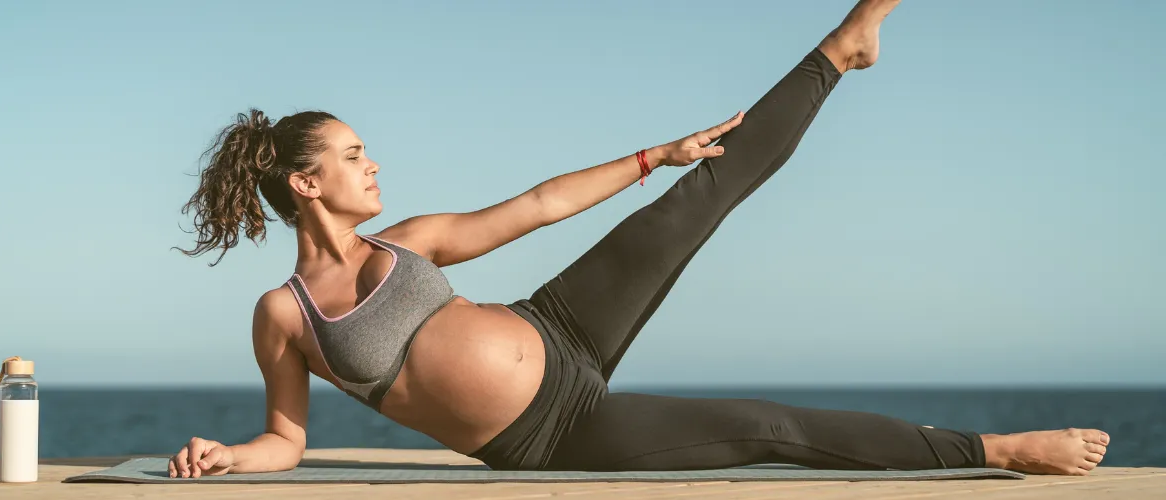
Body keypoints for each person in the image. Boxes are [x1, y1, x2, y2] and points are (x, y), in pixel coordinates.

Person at [168, 0, 1109, 479]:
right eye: (352, 154)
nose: (372, 166)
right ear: (305, 183)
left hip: (560, 323)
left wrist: (653, 155)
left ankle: (841, 47)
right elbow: (286, 441)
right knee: (774, 430)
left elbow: (536, 206)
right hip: (556, 432)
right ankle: (997, 449)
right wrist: (227, 458)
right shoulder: (283, 316)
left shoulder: (409, 242)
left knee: (705, 190)